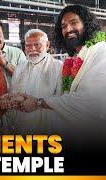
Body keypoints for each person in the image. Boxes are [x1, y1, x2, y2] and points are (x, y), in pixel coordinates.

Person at [16, 5, 106, 147]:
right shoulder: (72, 60)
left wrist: (38, 102)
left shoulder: (101, 51)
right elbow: (63, 95)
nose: (68, 29)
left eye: (74, 22)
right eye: (64, 26)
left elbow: (90, 101)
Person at [10, 29, 62, 134]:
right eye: (28, 45)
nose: (32, 49)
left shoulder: (58, 67)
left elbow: (62, 99)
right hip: (22, 126)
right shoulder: (20, 67)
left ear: (47, 45)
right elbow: (13, 93)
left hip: (49, 128)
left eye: (37, 45)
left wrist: (37, 103)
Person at [0, 19, 27, 87]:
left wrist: (5, 63)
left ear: (3, 34)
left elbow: (26, 77)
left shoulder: (18, 53)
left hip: (16, 96)